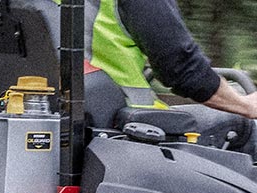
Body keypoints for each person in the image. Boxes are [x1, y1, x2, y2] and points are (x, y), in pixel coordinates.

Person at [84, 0, 257, 120]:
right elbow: (181, 67)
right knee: (243, 127)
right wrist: (245, 105)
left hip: (75, 124)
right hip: (126, 126)